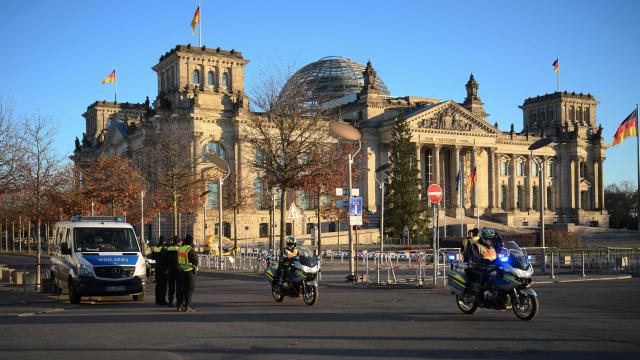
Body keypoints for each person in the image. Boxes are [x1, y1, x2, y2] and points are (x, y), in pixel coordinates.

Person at [466, 228, 498, 296]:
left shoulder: (492, 246)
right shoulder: (475, 245)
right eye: (487, 239)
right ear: (483, 238)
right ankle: (476, 292)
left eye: (491, 239)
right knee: (481, 275)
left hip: (491, 266)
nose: (489, 241)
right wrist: (484, 260)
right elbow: (475, 257)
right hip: (477, 267)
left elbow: (500, 251)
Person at [177, 234, 198, 312]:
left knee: (181, 289)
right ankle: (187, 306)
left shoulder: (180, 249)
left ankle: (179, 305)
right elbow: (195, 261)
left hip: (181, 271)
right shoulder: (190, 249)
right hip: (189, 272)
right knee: (189, 290)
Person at [151, 236, 168, 305]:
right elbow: (166, 260)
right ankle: (162, 300)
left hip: (157, 268)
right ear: (164, 241)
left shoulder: (155, 248)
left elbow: (152, 257)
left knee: (158, 285)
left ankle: (157, 300)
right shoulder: (164, 249)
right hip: (163, 269)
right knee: (163, 285)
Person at [165, 236, 180, 307]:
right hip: (177, 269)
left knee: (171, 286)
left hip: (170, 269)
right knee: (178, 286)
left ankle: (170, 301)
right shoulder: (179, 249)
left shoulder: (168, 248)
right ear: (178, 242)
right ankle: (178, 302)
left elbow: (166, 259)